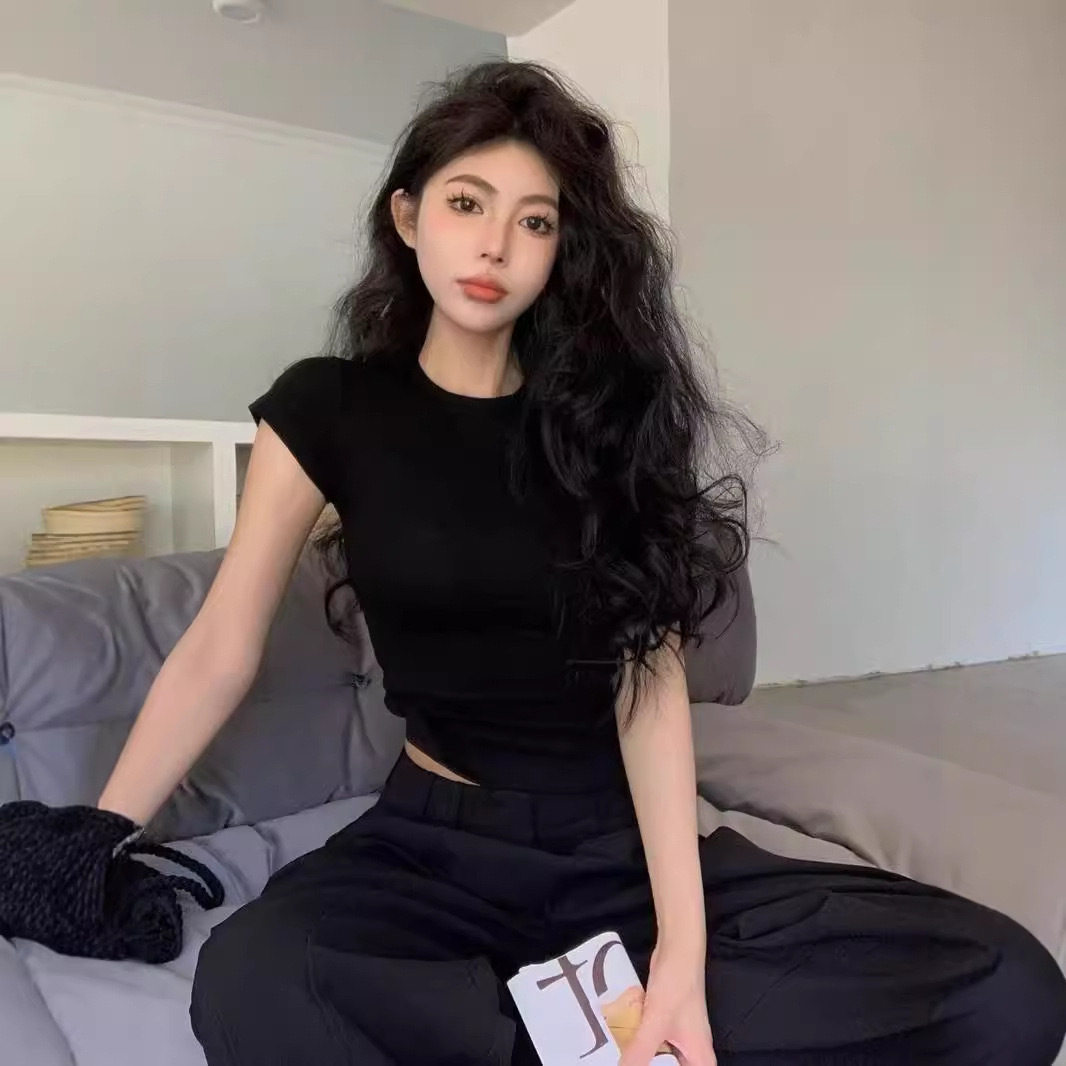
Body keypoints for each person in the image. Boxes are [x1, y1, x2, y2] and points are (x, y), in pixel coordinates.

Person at [94, 59, 1066, 1066]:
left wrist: (680, 953)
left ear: (562, 250)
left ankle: (560, 1026)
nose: (495, 245)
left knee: (1007, 987)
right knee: (259, 978)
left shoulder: (607, 426)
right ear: (406, 215)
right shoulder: (327, 407)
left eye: (536, 221)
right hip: (432, 846)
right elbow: (219, 646)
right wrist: (99, 833)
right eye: (467, 203)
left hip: (618, 846)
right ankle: (575, 1031)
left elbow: (649, 685)